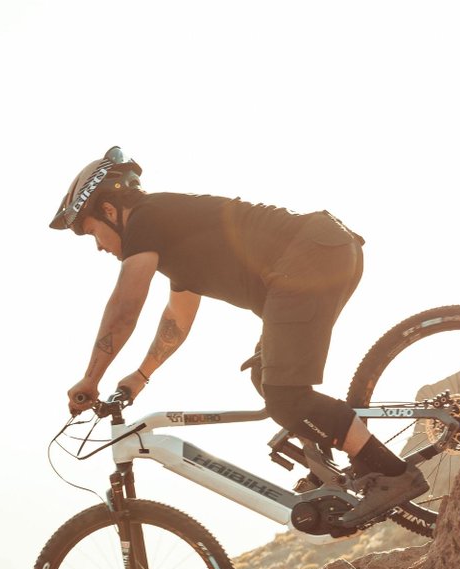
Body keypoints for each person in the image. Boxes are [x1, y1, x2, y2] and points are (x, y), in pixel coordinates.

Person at [49, 146, 428, 528]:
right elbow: (176, 320)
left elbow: (124, 308)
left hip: (310, 257)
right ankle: (334, 473)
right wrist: (141, 376)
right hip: (321, 252)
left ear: (110, 212)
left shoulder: (147, 218)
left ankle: (392, 475)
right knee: (265, 375)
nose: (98, 246)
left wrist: (91, 378)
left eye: (90, 232)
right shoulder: (168, 232)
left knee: (286, 398)